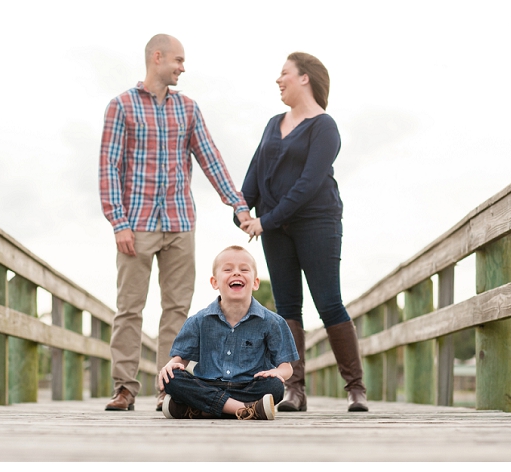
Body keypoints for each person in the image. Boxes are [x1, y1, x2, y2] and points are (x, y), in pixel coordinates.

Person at [99, 34, 251, 412]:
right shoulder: (121, 106)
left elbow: (211, 160)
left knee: (177, 311)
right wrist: (118, 222)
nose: (183, 67)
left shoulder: (188, 108)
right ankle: (125, 388)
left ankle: (169, 388)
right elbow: (108, 169)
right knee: (130, 308)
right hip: (136, 224)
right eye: (178, 60)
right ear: (157, 57)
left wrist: (239, 206)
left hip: (181, 221)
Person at [238, 52, 368, 412]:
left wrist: (264, 221)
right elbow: (254, 175)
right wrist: (242, 210)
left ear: (304, 78)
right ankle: (295, 389)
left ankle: (355, 388)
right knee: (287, 308)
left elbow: (309, 183)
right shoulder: (272, 123)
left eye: (284, 73)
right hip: (274, 227)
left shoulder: (324, 126)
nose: (278, 80)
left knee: (328, 302)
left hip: (317, 221)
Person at [158, 245, 298, 420]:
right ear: (214, 282)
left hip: (248, 386)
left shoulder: (272, 322)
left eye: (244, 269)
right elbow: (181, 358)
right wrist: (171, 365)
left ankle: (200, 409)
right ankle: (244, 409)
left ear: (255, 282)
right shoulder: (198, 320)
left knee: (275, 386)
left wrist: (278, 373)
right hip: (207, 384)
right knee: (171, 378)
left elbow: (287, 368)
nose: (237, 273)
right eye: (228, 269)